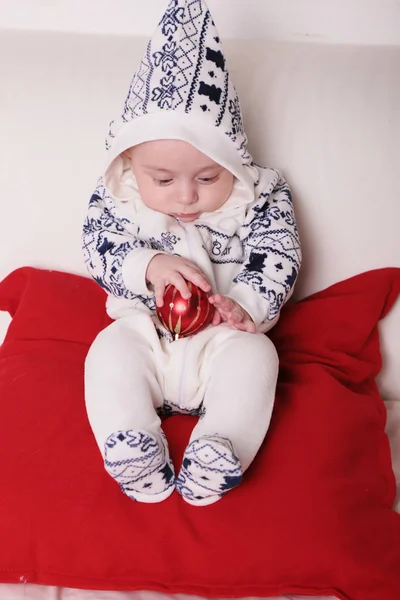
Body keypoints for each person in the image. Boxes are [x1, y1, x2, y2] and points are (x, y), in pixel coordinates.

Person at [82, 0, 301, 507]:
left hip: (222, 341)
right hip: (147, 333)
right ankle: (132, 445)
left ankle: (220, 448)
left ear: (234, 163)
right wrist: (149, 266)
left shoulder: (259, 197)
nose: (186, 196)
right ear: (131, 165)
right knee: (107, 353)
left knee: (257, 358)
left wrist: (246, 304)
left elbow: (279, 251)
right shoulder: (119, 197)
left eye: (208, 178)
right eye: (163, 179)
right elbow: (97, 245)